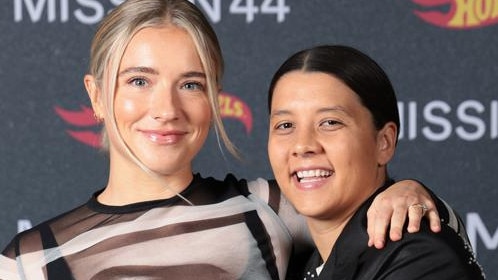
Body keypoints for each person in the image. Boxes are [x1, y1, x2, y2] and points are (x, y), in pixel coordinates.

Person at [0, 1, 444, 279]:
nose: (167, 108)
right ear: (96, 96)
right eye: (138, 80)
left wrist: (410, 193)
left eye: (191, 85)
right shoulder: (31, 260)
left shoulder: (270, 209)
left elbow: (418, 246)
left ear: (214, 100)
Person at [267, 45, 486, 279]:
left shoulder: (417, 257)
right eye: (285, 125)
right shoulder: (295, 262)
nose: (303, 145)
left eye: (330, 122)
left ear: (384, 143)